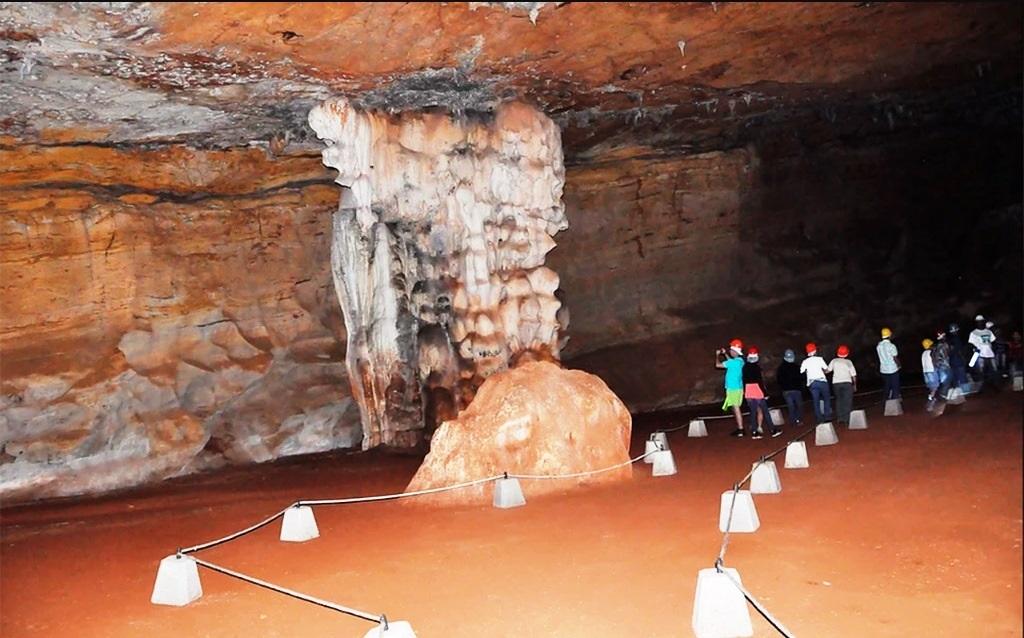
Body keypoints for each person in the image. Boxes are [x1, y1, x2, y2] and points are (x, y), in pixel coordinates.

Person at [742, 347, 781, 439]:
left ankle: (754, 431)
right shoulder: (757, 367)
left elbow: (744, 380)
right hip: (757, 390)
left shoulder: (745, 367)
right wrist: (765, 393)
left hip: (748, 389)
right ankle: (772, 430)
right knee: (765, 410)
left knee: (753, 412)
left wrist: (745, 392)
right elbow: (759, 381)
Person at [716, 339, 747, 437]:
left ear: (734, 351)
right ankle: (740, 428)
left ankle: (741, 429)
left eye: (731, 350)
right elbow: (731, 361)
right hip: (738, 388)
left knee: (736, 408)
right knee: (735, 407)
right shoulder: (740, 361)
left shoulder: (732, 363)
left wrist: (717, 355)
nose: (730, 351)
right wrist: (725, 354)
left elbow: (717, 365)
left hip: (732, 389)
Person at [800, 342, 832, 423]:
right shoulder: (820, 359)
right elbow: (826, 369)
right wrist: (823, 372)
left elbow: (801, 371)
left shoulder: (805, 361)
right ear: (815, 351)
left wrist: (808, 371)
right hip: (822, 381)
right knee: (826, 398)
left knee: (816, 401)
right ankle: (827, 416)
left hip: (812, 383)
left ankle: (819, 418)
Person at [827, 345, 857, 426]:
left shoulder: (834, 361)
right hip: (847, 383)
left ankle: (840, 418)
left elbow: (828, 370)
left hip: (836, 383)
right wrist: (854, 385)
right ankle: (847, 418)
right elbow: (853, 375)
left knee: (839, 400)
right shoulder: (848, 362)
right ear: (847, 353)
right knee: (847, 401)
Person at [776, 349, 805, 426]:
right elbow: (801, 377)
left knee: (791, 406)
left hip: (787, 390)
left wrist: (782, 387)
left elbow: (779, 379)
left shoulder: (781, 368)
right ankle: (798, 420)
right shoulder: (796, 367)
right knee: (799, 405)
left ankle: (793, 421)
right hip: (796, 389)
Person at [968, 315, 998, 389]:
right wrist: (975, 349)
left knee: (993, 370)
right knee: (981, 372)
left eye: (981, 321)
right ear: (976, 323)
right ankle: (981, 388)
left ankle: (994, 386)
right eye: (978, 322)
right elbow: (970, 344)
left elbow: (993, 341)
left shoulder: (988, 331)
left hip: (990, 354)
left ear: (983, 322)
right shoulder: (973, 333)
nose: (980, 323)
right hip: (979, 355)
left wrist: (994, 350)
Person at [930, 329, 954, 415]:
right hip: (945, 367)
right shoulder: (944, 345)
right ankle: (939, 404)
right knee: (945, 385)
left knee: (944, 384)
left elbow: (932, 356)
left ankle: (935, 401)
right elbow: (948, 354)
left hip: (938, 368)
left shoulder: (934, 347)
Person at [876, 327, 901, 400]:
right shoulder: (891, 346)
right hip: (892, 369)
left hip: (883, 369)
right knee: (895, 386)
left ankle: (886, 400)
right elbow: (895, 358)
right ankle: (895, 401)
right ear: (889, 335)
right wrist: (899, 365)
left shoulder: (878, 346)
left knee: (886, 386)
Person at [947, 322, 970, 393]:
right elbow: (959, 351)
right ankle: (965, 391)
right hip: (958, 360)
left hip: (952, 361)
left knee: (955, 377)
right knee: (962, 376)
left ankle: (957, 391)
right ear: (957, 330)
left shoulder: (949, 340)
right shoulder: (957, 339)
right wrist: (963, 359)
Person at [921, 338, 939, 408]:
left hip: (925, 372)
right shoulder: (931, 352)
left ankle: (932, 398)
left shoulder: (923, 353)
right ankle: (931, 399)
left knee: (931, 387)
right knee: (935, 387)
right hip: (932, 371)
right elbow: (934, 362)